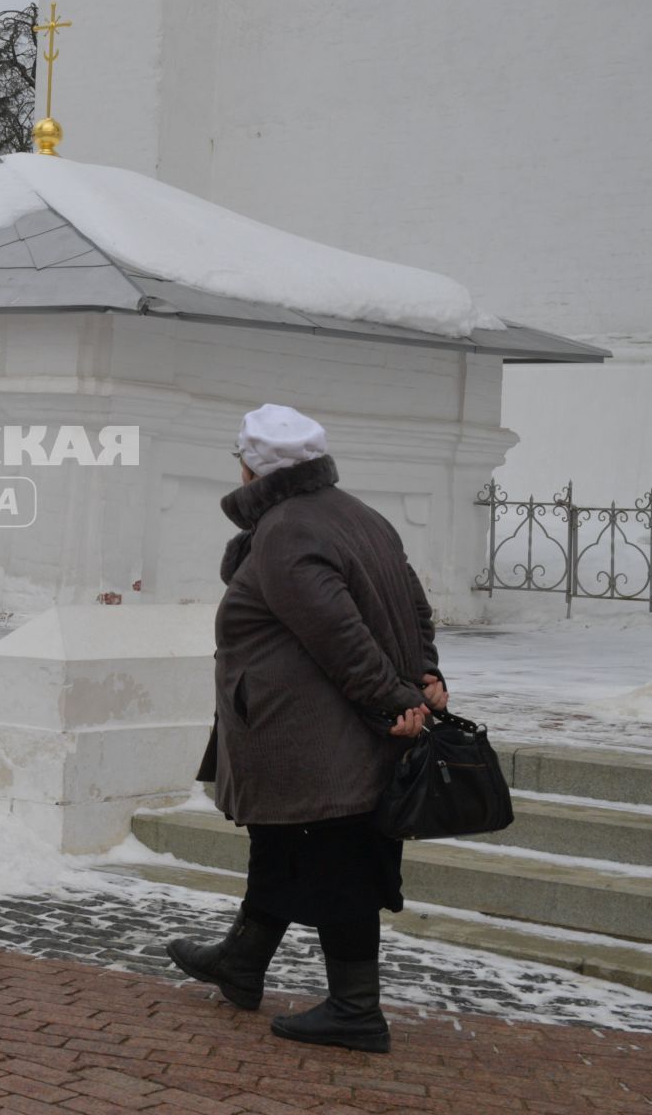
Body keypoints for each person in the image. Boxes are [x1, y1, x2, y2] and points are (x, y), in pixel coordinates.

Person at [167, 403, 449, 1054]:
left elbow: (338, 633)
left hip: (315, 732)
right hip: (314, 727)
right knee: (283, 845)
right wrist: (423, 676)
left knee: (336, 860)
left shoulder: (288, 529)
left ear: (254, 465)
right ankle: (241, 962)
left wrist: (395, 699)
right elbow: (415, 606)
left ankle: (355, 1009)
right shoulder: (357, 514)